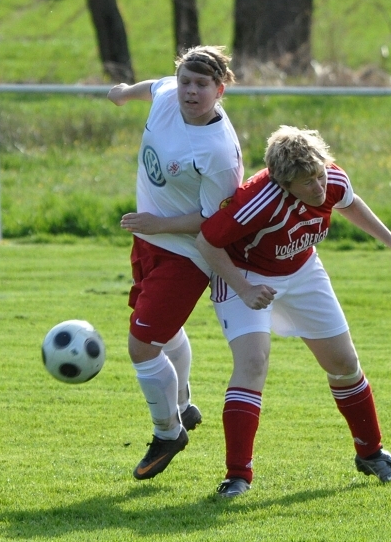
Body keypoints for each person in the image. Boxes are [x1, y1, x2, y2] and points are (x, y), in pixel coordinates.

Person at [195, 126, 391, 497]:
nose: (318, 187)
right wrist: (244, 288)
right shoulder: (257, 199)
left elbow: (349, 201)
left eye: (319, 175)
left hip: (302, 269)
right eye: (306, 182)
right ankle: (237, 476)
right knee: (252, 364)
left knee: (344, 364)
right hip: (245, 273)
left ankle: (371, 454)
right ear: (283, 182)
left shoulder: (331, 177)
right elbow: (207, 241)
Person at [107, 46, 243, 480]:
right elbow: (156, 86)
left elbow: (211, 221)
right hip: (150, 239)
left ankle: (168, 432)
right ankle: (182, 404)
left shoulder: (218, 152)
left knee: (142, 345)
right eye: (186, 81)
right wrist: (126, 93)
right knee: (161, 332)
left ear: (219, 90)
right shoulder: (170, 93)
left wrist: (157, 222)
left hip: (187, 253)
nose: (190, 90)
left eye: (202, 84)